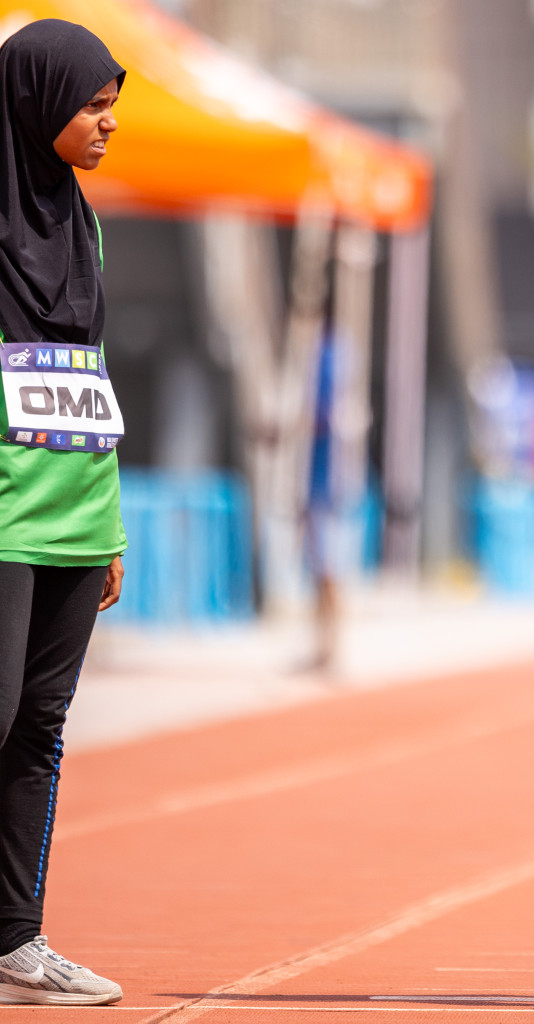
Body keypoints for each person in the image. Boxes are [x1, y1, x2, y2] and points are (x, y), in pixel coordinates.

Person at [0, 19, 127, 1007]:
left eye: (110, 107)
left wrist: (110, 521)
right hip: (3, 514)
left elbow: (88, 374)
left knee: (40, 728)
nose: (107, 124)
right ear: (38, 101)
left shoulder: (83, 221)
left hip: (77, 511)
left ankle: (17, 940)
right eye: (92, 106)